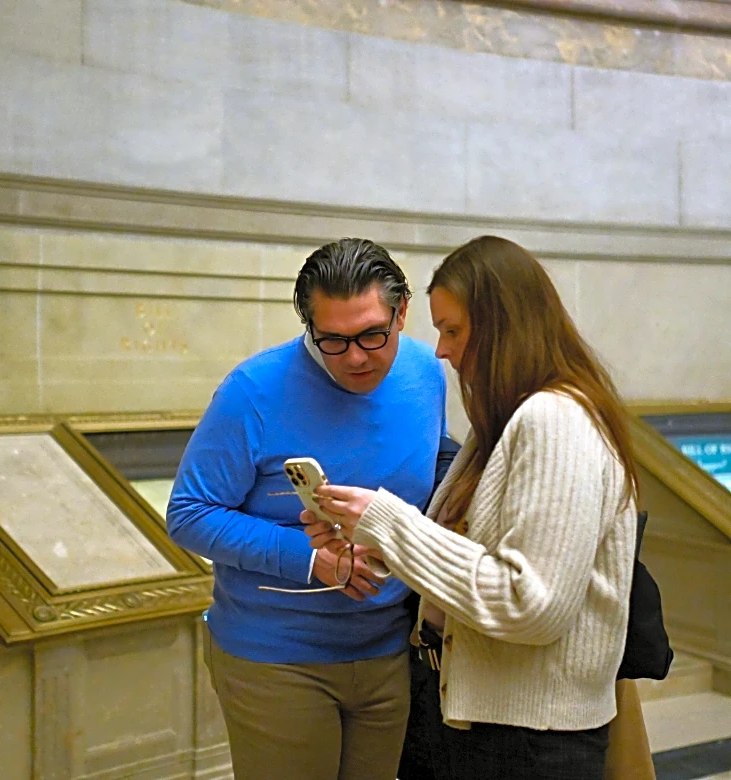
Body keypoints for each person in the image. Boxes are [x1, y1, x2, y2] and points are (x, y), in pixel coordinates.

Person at [304, 235, 639, 780]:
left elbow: (530, 605)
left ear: (505, 325)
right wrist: (370, 543)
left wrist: (389, 524)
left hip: (525, 737)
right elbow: (470, 547)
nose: (441, 350)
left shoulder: (555, 420)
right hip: (467, 711)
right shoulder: (507, 418)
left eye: (453, 331)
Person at [166, 238, 447, 780]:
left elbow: (432, 471)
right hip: (276, 656)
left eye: (372, 334)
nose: (356, 357)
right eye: (333, 340)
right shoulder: (252, 391)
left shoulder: (426, 372)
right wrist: (310, 558)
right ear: (308, 327)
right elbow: (189, 513)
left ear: (402, 313)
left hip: (389, 648)